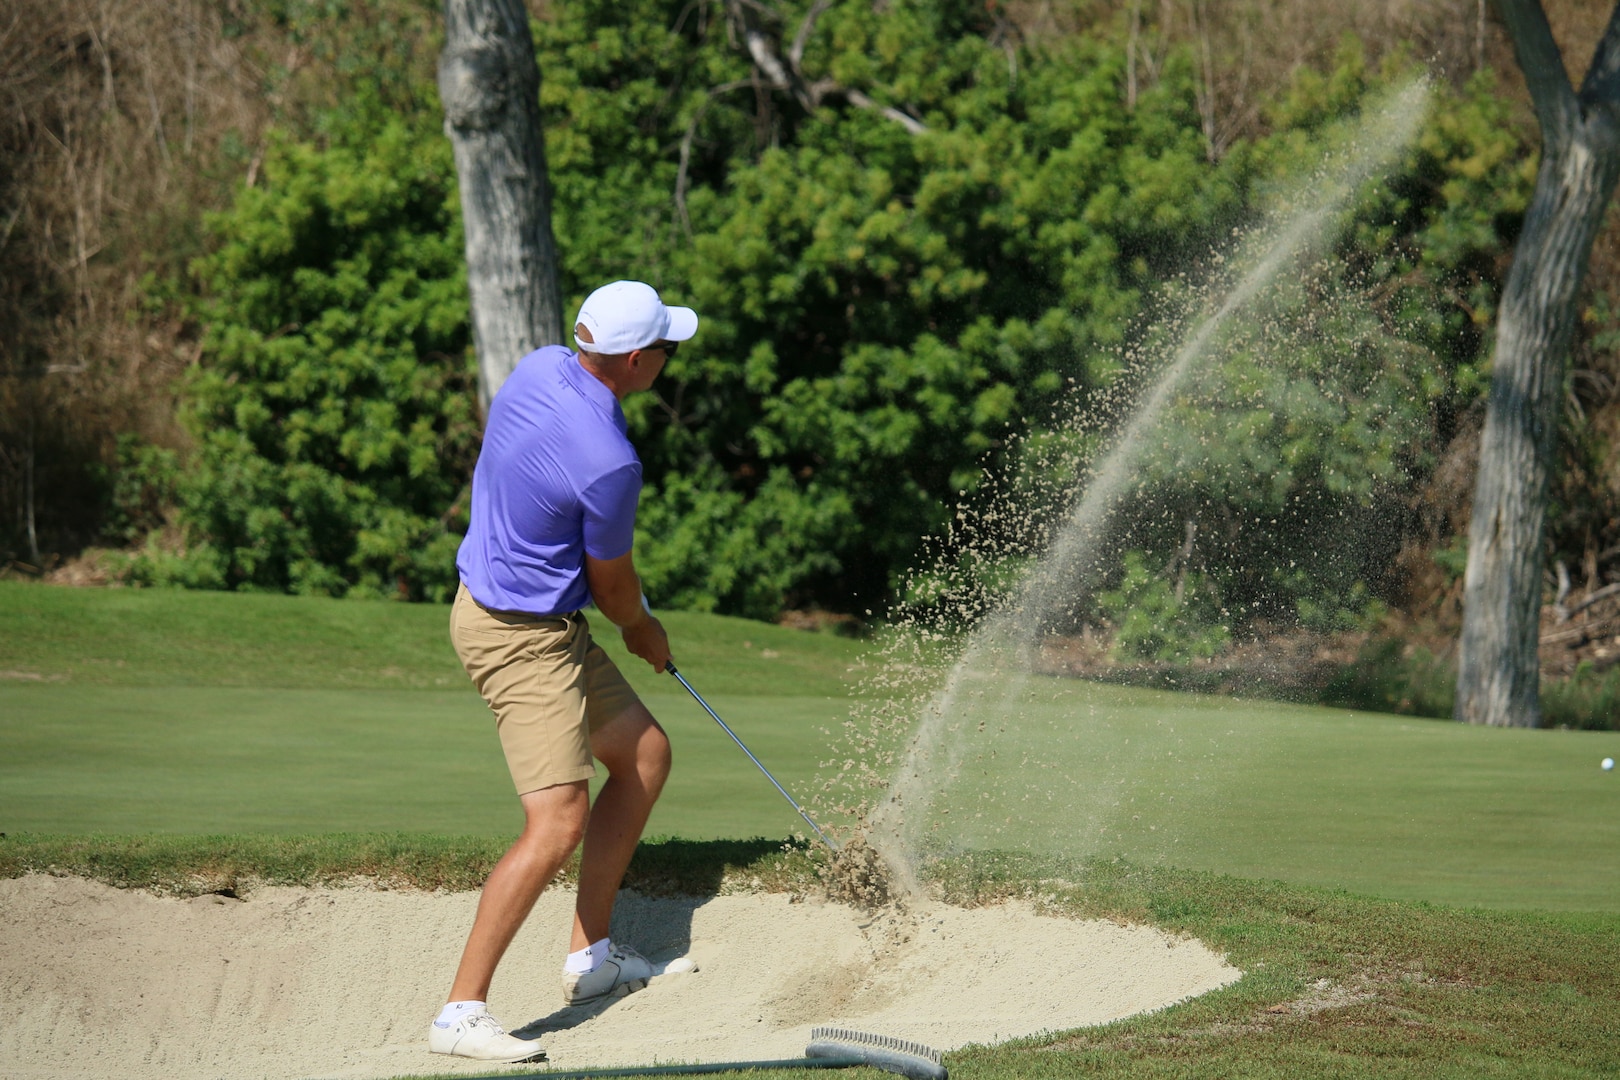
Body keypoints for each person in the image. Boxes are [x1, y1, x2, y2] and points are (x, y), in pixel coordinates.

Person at [427, 281, 697, 1064]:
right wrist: (646, 631)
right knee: (556, 822)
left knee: (645, 754)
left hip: (536, 617)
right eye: (666, 350)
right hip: (520, 637)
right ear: (637, 358)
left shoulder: (541, 365)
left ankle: (591, 959)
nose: (670, 360)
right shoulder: (612, 463)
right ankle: (459, 1013)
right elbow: (614, 586)